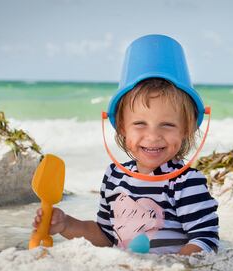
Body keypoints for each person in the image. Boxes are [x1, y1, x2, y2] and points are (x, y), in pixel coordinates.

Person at [32, 34, 219, 255]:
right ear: (121, 126)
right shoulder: (115, 177)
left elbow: (206, 240)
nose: (153, 136)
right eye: (140, 123)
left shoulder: (186, 182)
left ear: (187, 128)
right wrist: (67, 225)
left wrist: (171, 267)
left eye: (167, 124)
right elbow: (106, 236)